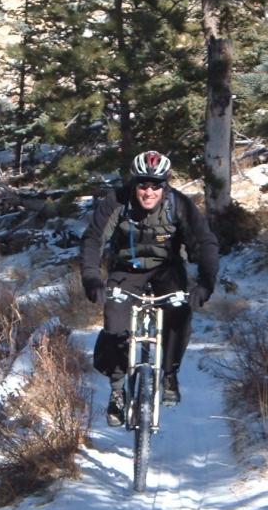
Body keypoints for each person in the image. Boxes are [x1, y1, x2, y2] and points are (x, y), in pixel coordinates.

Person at [80, 150, 220, 426]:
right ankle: (118, 389)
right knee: (115, 321)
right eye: (143, 184)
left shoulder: (179, 205)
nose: (149, 192)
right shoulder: (117, 202)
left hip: (167, 270)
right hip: (126, 270)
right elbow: (93, 239)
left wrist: (205, 284)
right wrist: (92, 279)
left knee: (179, 316)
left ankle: (169, 373)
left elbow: (205, 243)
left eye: (156, 186)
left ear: (165, 185)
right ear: (135, 183)